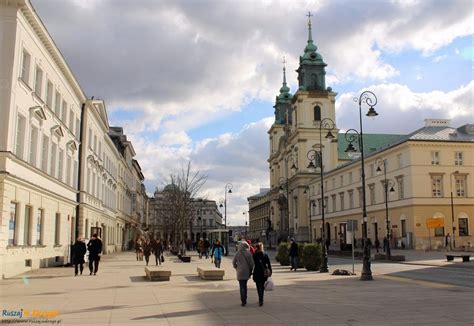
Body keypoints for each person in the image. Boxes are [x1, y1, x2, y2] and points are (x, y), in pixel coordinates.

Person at [232, 241, 254, 307]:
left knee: (241, 286)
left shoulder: (238, 253)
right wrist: (250, 269)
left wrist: (236, 267)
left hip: (240, 272)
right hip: (246, 272)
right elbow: (251, 263)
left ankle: (243, 301)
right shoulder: (248, 253)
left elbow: (233, 262)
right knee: (245, 285)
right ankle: (245, 299)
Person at [252, 242, 272, 306]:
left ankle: (260, 299)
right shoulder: (265, 255)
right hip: (264, 273)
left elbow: (252, 264)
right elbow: (269, 264)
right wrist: (270, 271)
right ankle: (261, 299)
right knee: (262, 286)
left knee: (258, 286)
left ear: (256, 248)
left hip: (257, 272)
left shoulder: (255, 255)